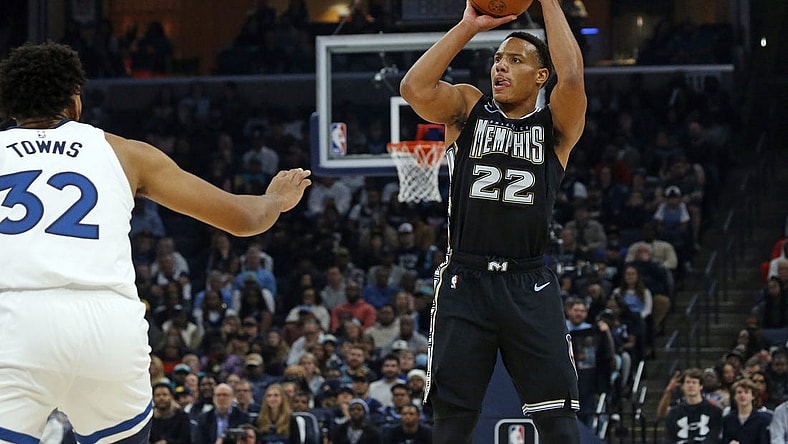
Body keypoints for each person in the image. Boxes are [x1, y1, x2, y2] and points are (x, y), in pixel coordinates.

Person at [0, 42, 311, 442]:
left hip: (15, 318)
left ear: (10, 110)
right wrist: (275, 200)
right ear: (75, 105)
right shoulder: (127, 153)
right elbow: (245, 220)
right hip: (107, 321)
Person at [399, 0, 586, 442]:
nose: (500, 67)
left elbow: (573, 76)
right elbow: (414, 88)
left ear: (541, 76)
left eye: (515, 61)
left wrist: (549, 2)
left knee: (559, 424)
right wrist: (467, 26)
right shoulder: (468, 107)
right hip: (466, 280)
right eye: (498, 59)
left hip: (529, 282)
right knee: (452, 423)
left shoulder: (555, 125)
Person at [662, 368, 723, 443]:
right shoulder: (674, 413)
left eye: (694, 382)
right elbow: (668, 439)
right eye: (688, 382)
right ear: (682, 386)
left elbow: (714, 437)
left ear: (701, 386)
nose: (691, 385)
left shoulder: (715, 412)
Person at [721, 378, 772, 444]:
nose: (742, 395)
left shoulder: (763, 420)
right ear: (734, 397)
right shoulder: (728, 419)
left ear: (753, 396)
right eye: (739, 392)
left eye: (746, 392)